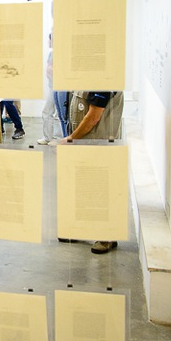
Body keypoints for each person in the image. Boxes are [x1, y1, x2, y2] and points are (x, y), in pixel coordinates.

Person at [61, 90, 124, 254]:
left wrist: (70, 139)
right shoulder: (89, 78)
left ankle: (107, 236)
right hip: (86, 143)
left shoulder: (103, 81)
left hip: (98, 143)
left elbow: (94, 116)